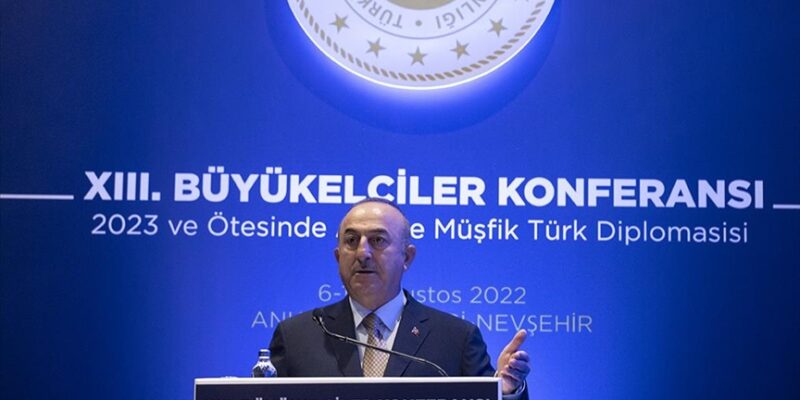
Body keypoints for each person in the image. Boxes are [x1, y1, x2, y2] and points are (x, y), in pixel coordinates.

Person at [269, 199, 530, 398]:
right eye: (351, 240)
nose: (362, 253)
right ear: (338, 257)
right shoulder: (297, 337)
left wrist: (506, 391)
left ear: (407, 257)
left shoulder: (456, 338)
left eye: (377, 240)